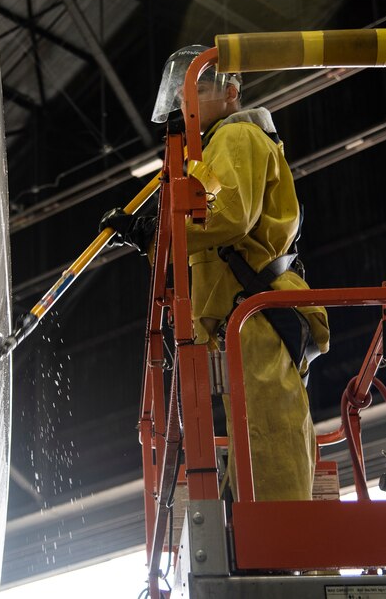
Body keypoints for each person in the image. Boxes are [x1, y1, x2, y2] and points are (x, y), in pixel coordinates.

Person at [101, 45, 330, 501]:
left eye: (198, 89)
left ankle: (278, 543)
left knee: (267, 430)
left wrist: (155, 232)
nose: (186, 101)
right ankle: (256, 530)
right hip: (240, 318)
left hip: (253, 315)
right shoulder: (214, 154)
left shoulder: (236, 138)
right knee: (258, 431)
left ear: (230, 92)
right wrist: (156, 234)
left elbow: (225, 217)